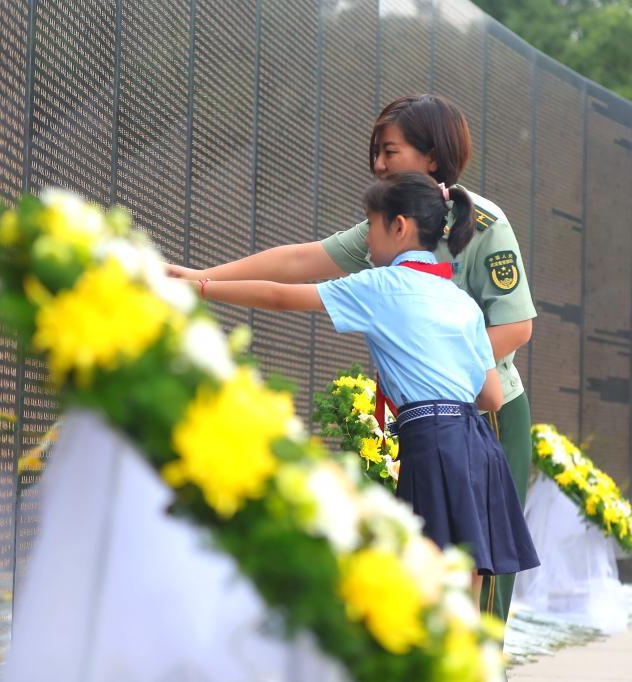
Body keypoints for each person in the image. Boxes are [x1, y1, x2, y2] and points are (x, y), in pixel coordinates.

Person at [169, 94, 537, 620]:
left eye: (390, 150)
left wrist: (433, 374)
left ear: (432, 157)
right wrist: (201, 275)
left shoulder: (476, 224)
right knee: (453, 574)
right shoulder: (385, 228)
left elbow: (517, 325)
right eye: (376, 152)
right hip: (447, 414)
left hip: (488, 418)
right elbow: (301, 260)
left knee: (470, 582)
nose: (379, 163)